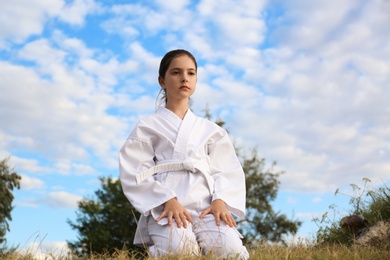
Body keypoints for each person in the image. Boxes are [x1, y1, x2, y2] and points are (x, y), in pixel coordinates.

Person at [119, 49, 249, 259]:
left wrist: (221, 201)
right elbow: (135, 171)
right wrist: (166, 200)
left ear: (196, 80)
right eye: (176, 72)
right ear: (162, 80)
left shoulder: (211, 130)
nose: (184, 78)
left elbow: (227, 169)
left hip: (207, 207)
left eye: (190, 73)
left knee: (231, 252)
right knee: (181, 251)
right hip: (167, 208)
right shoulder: (147, 126)